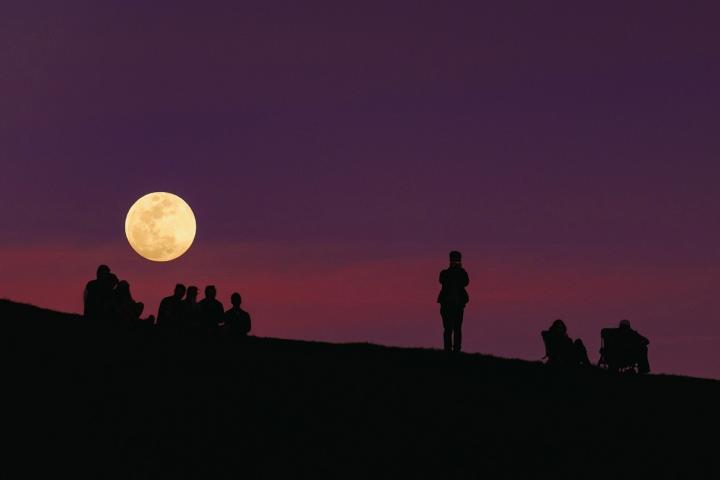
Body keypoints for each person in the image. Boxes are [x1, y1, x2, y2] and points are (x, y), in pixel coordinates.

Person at [437, 250, 469, 352]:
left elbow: (466, 282)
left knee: (455, 329)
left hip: (457, 305)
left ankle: (455, 349)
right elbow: (442, 280)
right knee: (450, 329)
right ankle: (450, 349)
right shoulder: (445, 273)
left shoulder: (458, 273)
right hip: (448, 305)